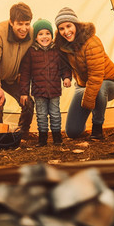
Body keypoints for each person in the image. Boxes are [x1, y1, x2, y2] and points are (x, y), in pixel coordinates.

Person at [54, 7, 114, 140]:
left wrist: (88, 102)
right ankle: (82, 125)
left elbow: (96, 77)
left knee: (100, 88)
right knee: (72, 132)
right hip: (83, 86)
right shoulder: (63, 45)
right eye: (61, 28)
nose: (66, 31)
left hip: (110, 83)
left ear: (76, 25)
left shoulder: (92, 42)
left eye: (69, 26)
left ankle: (97, 129)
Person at [0, 2, 35, 139]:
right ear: (11, 22)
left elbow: (31, 60)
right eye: (20, 24)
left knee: (28, 102)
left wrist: (23, 79)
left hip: (12, 78)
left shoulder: (31, 34)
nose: (24, 28)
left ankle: (23, 134)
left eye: (27, 24)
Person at [19, 19, 72, 147]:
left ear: (52, 36)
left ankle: (57, 138)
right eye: (40, 34)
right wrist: (24, 92)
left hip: (54, 91)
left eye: (47, 33)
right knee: (41, 115)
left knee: (55, 114)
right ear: (36, 37)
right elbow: (25, 74)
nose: (44, 37)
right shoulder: (31, 52)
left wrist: (66, 77)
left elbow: (65, 67)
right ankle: (42, 139)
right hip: (39, 92)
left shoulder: (57, 51)